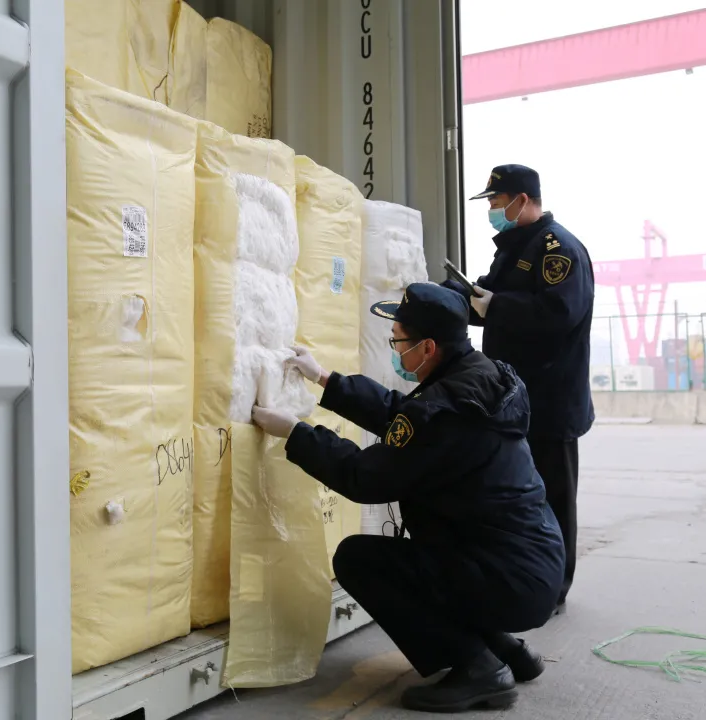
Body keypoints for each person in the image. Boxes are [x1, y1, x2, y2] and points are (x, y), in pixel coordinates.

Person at [251, 282, 565, 714]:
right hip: (530, 564)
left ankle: (478, 668)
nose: (396, 349)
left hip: (507, 578)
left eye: (398, 340)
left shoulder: (444, 408)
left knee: (360, 560)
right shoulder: (480, 376)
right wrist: (324, 378)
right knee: (438, 555)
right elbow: (406, 415)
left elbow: (365, 477)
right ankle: (506, 650)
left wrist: (297, 434)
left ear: (428, 347)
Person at [446, 164, 594, 614]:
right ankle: (521, 575)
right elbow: (486, 298)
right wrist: (448, 295)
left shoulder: (557, 249)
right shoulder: (515, 247)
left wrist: (497, 305)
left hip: (550, 398)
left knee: (554, 496)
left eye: (496, 201)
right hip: (515, 398)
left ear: (523, 200)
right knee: (518, 495)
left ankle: (555, 588)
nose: (492, 209)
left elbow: (557, 313)